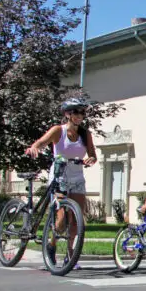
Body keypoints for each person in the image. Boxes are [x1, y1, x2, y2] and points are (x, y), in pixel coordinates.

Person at [24, 97, 97, 265]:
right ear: (67, 114)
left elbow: (93, 154)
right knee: (62, 219)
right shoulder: (58, 130)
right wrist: (35, 147)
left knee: (76, 219)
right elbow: (42, 142)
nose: (80, 116)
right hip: (60, 177)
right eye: (76, 112)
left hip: (77, 177)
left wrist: (90, 160)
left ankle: (70, 255)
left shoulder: (85, 134)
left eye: (82, 113)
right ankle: (52, 244)